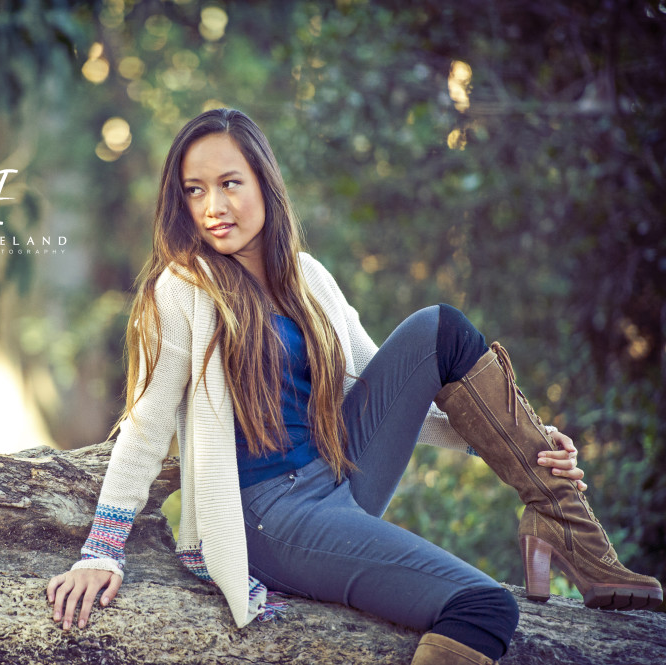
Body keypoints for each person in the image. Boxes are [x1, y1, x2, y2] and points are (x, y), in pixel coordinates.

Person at [46, 108, 662, 664]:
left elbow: (384, 388)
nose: (213, 206)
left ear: (263, 180)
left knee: (437, 329)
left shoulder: (307, 277)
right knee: (483, 608)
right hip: (272, 516)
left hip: (341, 473)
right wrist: (102, 549)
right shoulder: (184, 289)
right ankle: (556, 529)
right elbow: (148, 422)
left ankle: (565, 527)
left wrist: (498, 439)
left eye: (229, 183)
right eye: (195, 190)